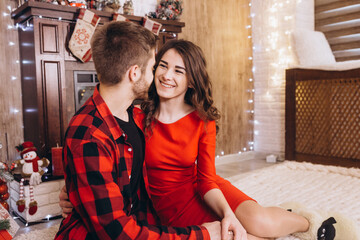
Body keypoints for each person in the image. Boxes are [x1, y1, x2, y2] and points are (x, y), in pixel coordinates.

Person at [60, 37, 337, 240]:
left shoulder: (203, 120)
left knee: (259, 222)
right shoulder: (134, 115)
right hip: (164, 206)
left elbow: (206, 179)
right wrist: (71, 191)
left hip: (201, 189)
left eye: (178, 71)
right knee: (244, 237)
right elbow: (102, 160)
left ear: (191, 80)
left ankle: (308, 221)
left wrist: (227, 212)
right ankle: (282, 215)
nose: (167, 76)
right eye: (162, 66)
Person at [55, 21, 222, 240]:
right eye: (154, 68)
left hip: (142, 222)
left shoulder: (134, 116)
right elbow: (118, 232)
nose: (158, 76)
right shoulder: (88, 135)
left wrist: (75, 189)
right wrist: (201, 235)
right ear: (134, 73)